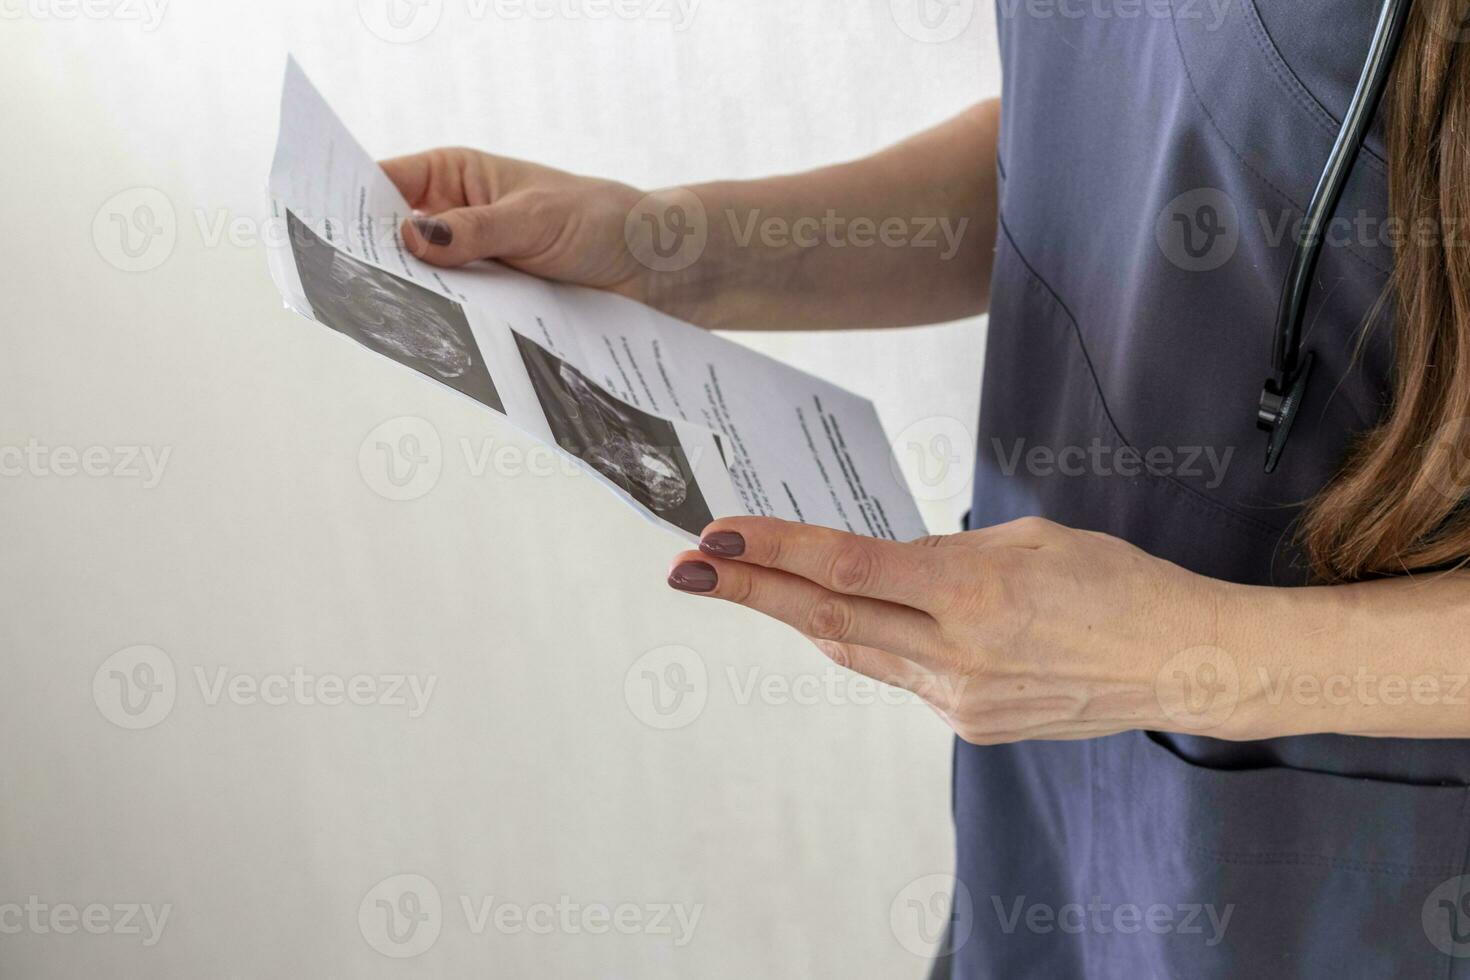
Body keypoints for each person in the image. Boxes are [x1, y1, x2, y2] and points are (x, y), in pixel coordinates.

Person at [381, 0, 1470, 972]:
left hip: (1343, 858)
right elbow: (1144, 130)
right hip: (1059, 784)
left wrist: (1168, 656)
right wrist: (674, 251)